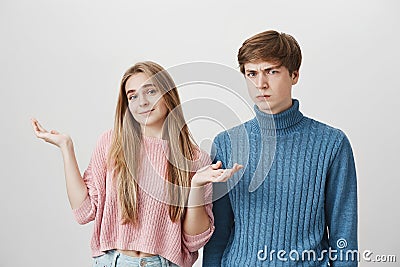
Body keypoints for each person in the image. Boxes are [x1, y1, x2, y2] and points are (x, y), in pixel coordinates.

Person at [31, 61, 242, 267]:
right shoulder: (111, 143)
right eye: (132, 96)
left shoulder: (195, 158)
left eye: (150, 91)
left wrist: (196, 185)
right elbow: (84, 211)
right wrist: (66, 148)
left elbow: (194, 240)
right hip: (110, 261)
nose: (142, 102)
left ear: (168, 96)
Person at [203, 30, 358, 266]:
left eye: (271, 71)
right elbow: (219, 233)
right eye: (251, 73)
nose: (260, 84)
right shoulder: (226, 143)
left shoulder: (332, 143)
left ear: (294, 75)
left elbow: (343, 235)